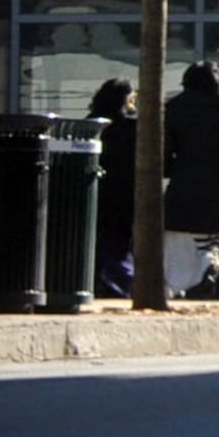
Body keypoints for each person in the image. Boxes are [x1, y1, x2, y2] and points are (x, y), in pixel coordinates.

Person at [160, 62, 219, 300]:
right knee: (210, 239)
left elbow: (165, 152)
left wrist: (170, 171)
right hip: (215, 185)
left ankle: (178, 286)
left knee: (178, 242)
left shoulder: (174, 109)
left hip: (182, 184)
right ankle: (207, 267)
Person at [87, 78, 136, 300]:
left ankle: (101, 279)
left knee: (100, 238)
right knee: (121, 241)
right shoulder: (131, 127)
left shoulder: (91, 125)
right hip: (125, 191)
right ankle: (118, 283)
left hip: (95, 190)